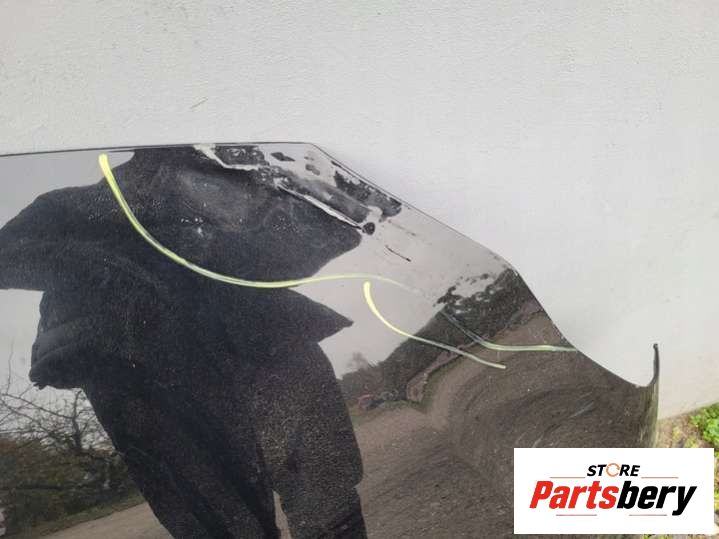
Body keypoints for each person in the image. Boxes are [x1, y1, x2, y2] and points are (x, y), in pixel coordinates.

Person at [0, 147, 371, 538]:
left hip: (260, 339)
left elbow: (284, 259)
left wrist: (334, 213)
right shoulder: (76, 205)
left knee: (324, 485)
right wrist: (109, 266)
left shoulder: (251, 186)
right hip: (138, 366)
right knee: (216, 514)